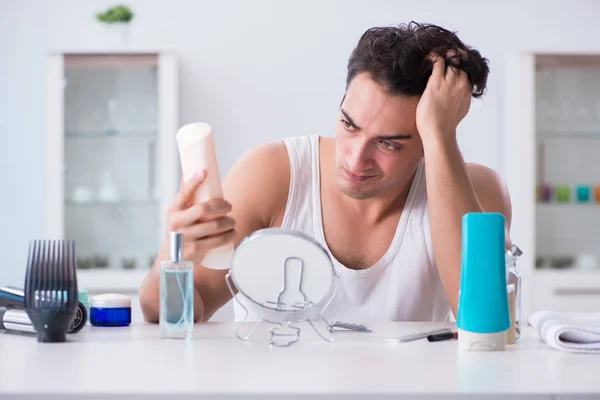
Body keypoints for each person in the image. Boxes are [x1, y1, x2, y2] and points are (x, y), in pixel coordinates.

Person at [139, 21, 512, 323]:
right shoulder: (273, 174)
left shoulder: (478, 192)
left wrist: (441, 136)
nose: (355, 159)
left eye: (389, 144)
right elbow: (171, 313)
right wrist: (172, 261)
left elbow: (485, 322)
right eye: (349, 125)